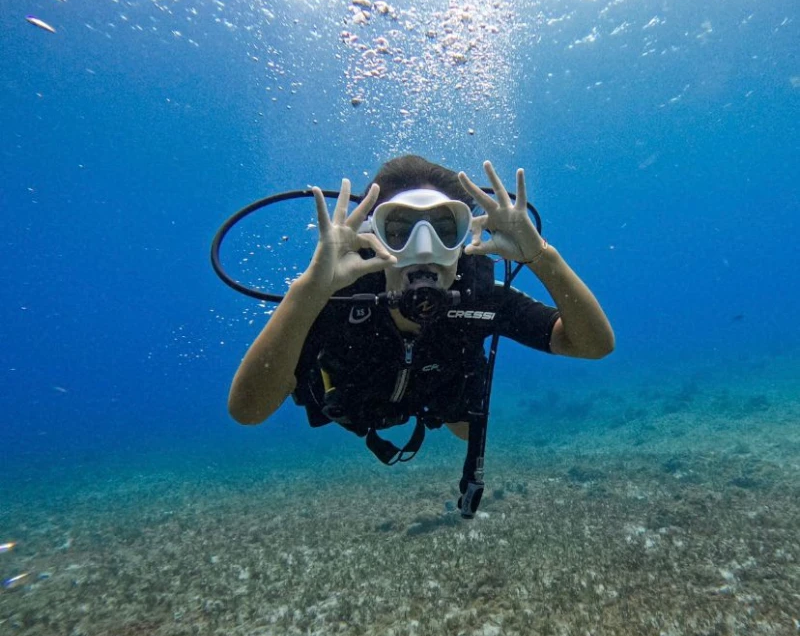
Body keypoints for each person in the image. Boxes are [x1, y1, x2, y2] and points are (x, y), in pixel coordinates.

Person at [228, 156, 614, 476]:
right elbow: (247, 411)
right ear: (371, 237)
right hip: (352, 403)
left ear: (464, 239)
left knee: (464, 428)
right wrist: (308, 292)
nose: (424, 249)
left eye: (446, 229)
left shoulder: (481, 299)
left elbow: (593, 345)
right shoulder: (337, 300)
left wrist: (541, 257)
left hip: (438, 401)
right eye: (398, 230)